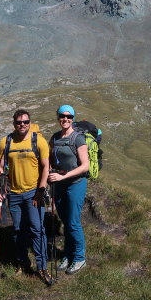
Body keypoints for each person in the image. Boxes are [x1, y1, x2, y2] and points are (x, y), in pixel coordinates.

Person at [0, 109, 52, 285]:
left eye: (26, 122)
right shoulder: (5, 142)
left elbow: (45, 167)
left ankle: (42, 267)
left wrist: (41, 190)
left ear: (30, 122)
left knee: (37, 229)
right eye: (19, 122)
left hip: (34, 193)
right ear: (14, 123)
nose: (22, 125)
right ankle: (23, 262)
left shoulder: (39, 141)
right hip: (14, 194)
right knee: (18, 230)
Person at [48, 104, 90, 275]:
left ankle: (79, 258)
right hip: (59, 184)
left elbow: (85, 166)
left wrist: (63, 177)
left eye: (69, 117)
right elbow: (51, 158)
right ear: (58, 117)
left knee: (73, 222)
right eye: (62, 116)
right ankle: (68, 254)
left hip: (75, 183)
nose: (65, 119)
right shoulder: (55, 137)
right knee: (66, 221)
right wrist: (50, 172)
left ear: (73, 118)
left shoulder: (78, 138)